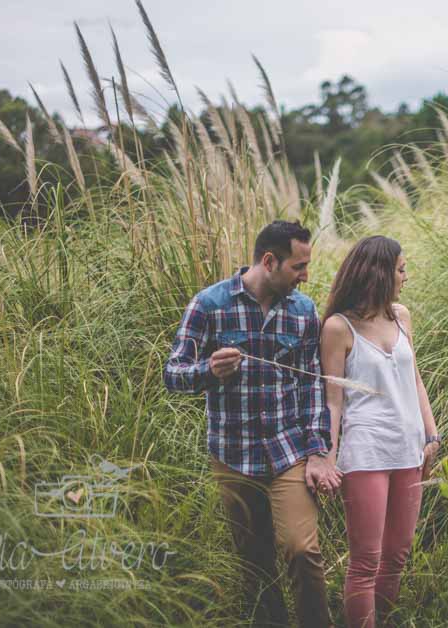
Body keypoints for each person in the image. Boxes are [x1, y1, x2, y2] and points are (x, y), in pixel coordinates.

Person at [163, 220, 341, 627]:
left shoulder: (303, 311)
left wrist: (317, 452)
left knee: (302, 549)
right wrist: (207, 370)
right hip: (232, 456)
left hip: (288, 451)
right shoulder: (209, 305)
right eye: (299, 266)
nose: (306, 275)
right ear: (269, 261)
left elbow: (312, 385)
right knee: (255, 562)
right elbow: (172, 374)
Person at [319, 235, 442, 628]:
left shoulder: (401, 316)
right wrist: (328, 455)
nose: (406, 276)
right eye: (401, 269)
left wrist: (431, 433)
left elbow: (415, 378)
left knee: (397, 555)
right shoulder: (339, 328)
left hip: (409, 450)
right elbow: (332, 399)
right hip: (366, 453)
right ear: (378, 273)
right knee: (366, 561)